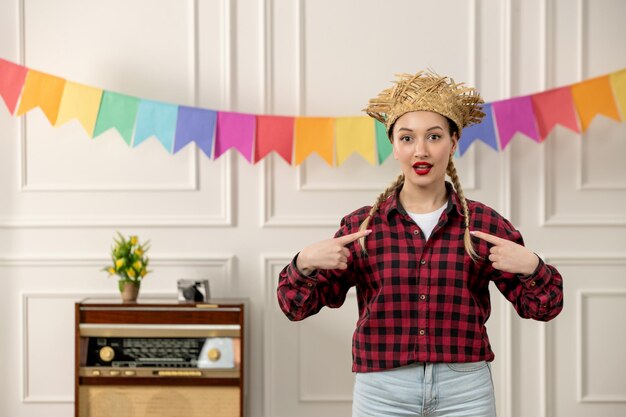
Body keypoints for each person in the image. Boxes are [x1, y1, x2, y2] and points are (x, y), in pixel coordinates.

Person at [276, 70, 564, 417]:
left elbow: (544, 308)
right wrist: (303, 263)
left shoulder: (485, 225)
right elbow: (296, 308)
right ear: (394, 145)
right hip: (382, 390)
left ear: (454, 142)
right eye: (407, 138)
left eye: (434, 136)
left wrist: (533, 267)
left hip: (465, 391)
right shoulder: (362, 227)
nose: (421, 150)